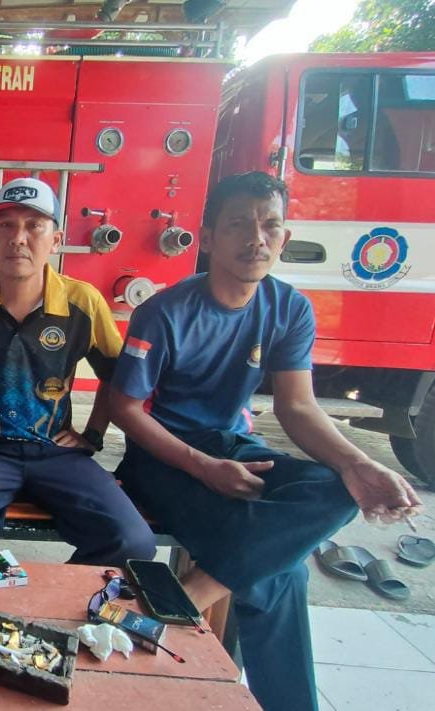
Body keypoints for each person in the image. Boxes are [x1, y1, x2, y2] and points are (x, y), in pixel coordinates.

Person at [108, 171, 423, 711]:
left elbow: (296, 407)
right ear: (209, 238)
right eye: (239, 224)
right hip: (164, 459)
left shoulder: (289, 308)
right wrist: (202, 467)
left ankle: (188, 595)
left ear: (284, 236)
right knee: (280, 574)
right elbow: (124, 409)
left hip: (236, 447)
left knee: (337, 487)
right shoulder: (165, 311)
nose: (256, 238)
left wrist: (359, 464)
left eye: (270, 226)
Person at [0, 177, 157, 565]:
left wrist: (92, 435)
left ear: (55, 240)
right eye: (6, 225)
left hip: (55, 451)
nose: (18, 238)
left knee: (132, 541)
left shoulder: (83, 302)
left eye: (34, 226)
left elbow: (114, 374)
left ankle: (53, 597)